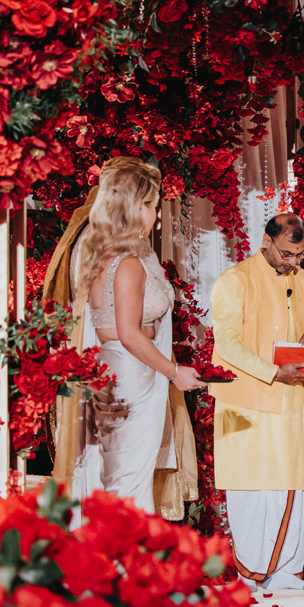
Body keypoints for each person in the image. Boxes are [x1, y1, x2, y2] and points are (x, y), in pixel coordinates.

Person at [210, 213, 304, 590]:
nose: (293, 262)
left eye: (300, 255)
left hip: (289, 399)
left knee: (288, 483)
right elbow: (226, 343)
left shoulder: (303, 280)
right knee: (250, 486)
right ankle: (253, 574)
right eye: (288, 253)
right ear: (267, 241)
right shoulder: (235, 280)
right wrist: (273, 372)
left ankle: (285, 573)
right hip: (244, 400)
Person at [68, 158, 205, 516]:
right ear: (132, 207)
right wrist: (175, 372)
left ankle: (112, 561)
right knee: (127, 480)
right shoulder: (127, 263)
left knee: (114, 474)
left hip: (112, 370)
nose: (155, 217)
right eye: (150, 206)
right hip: (129, 376)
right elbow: (130, 334)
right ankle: (125, 563)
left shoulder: (97, 255)